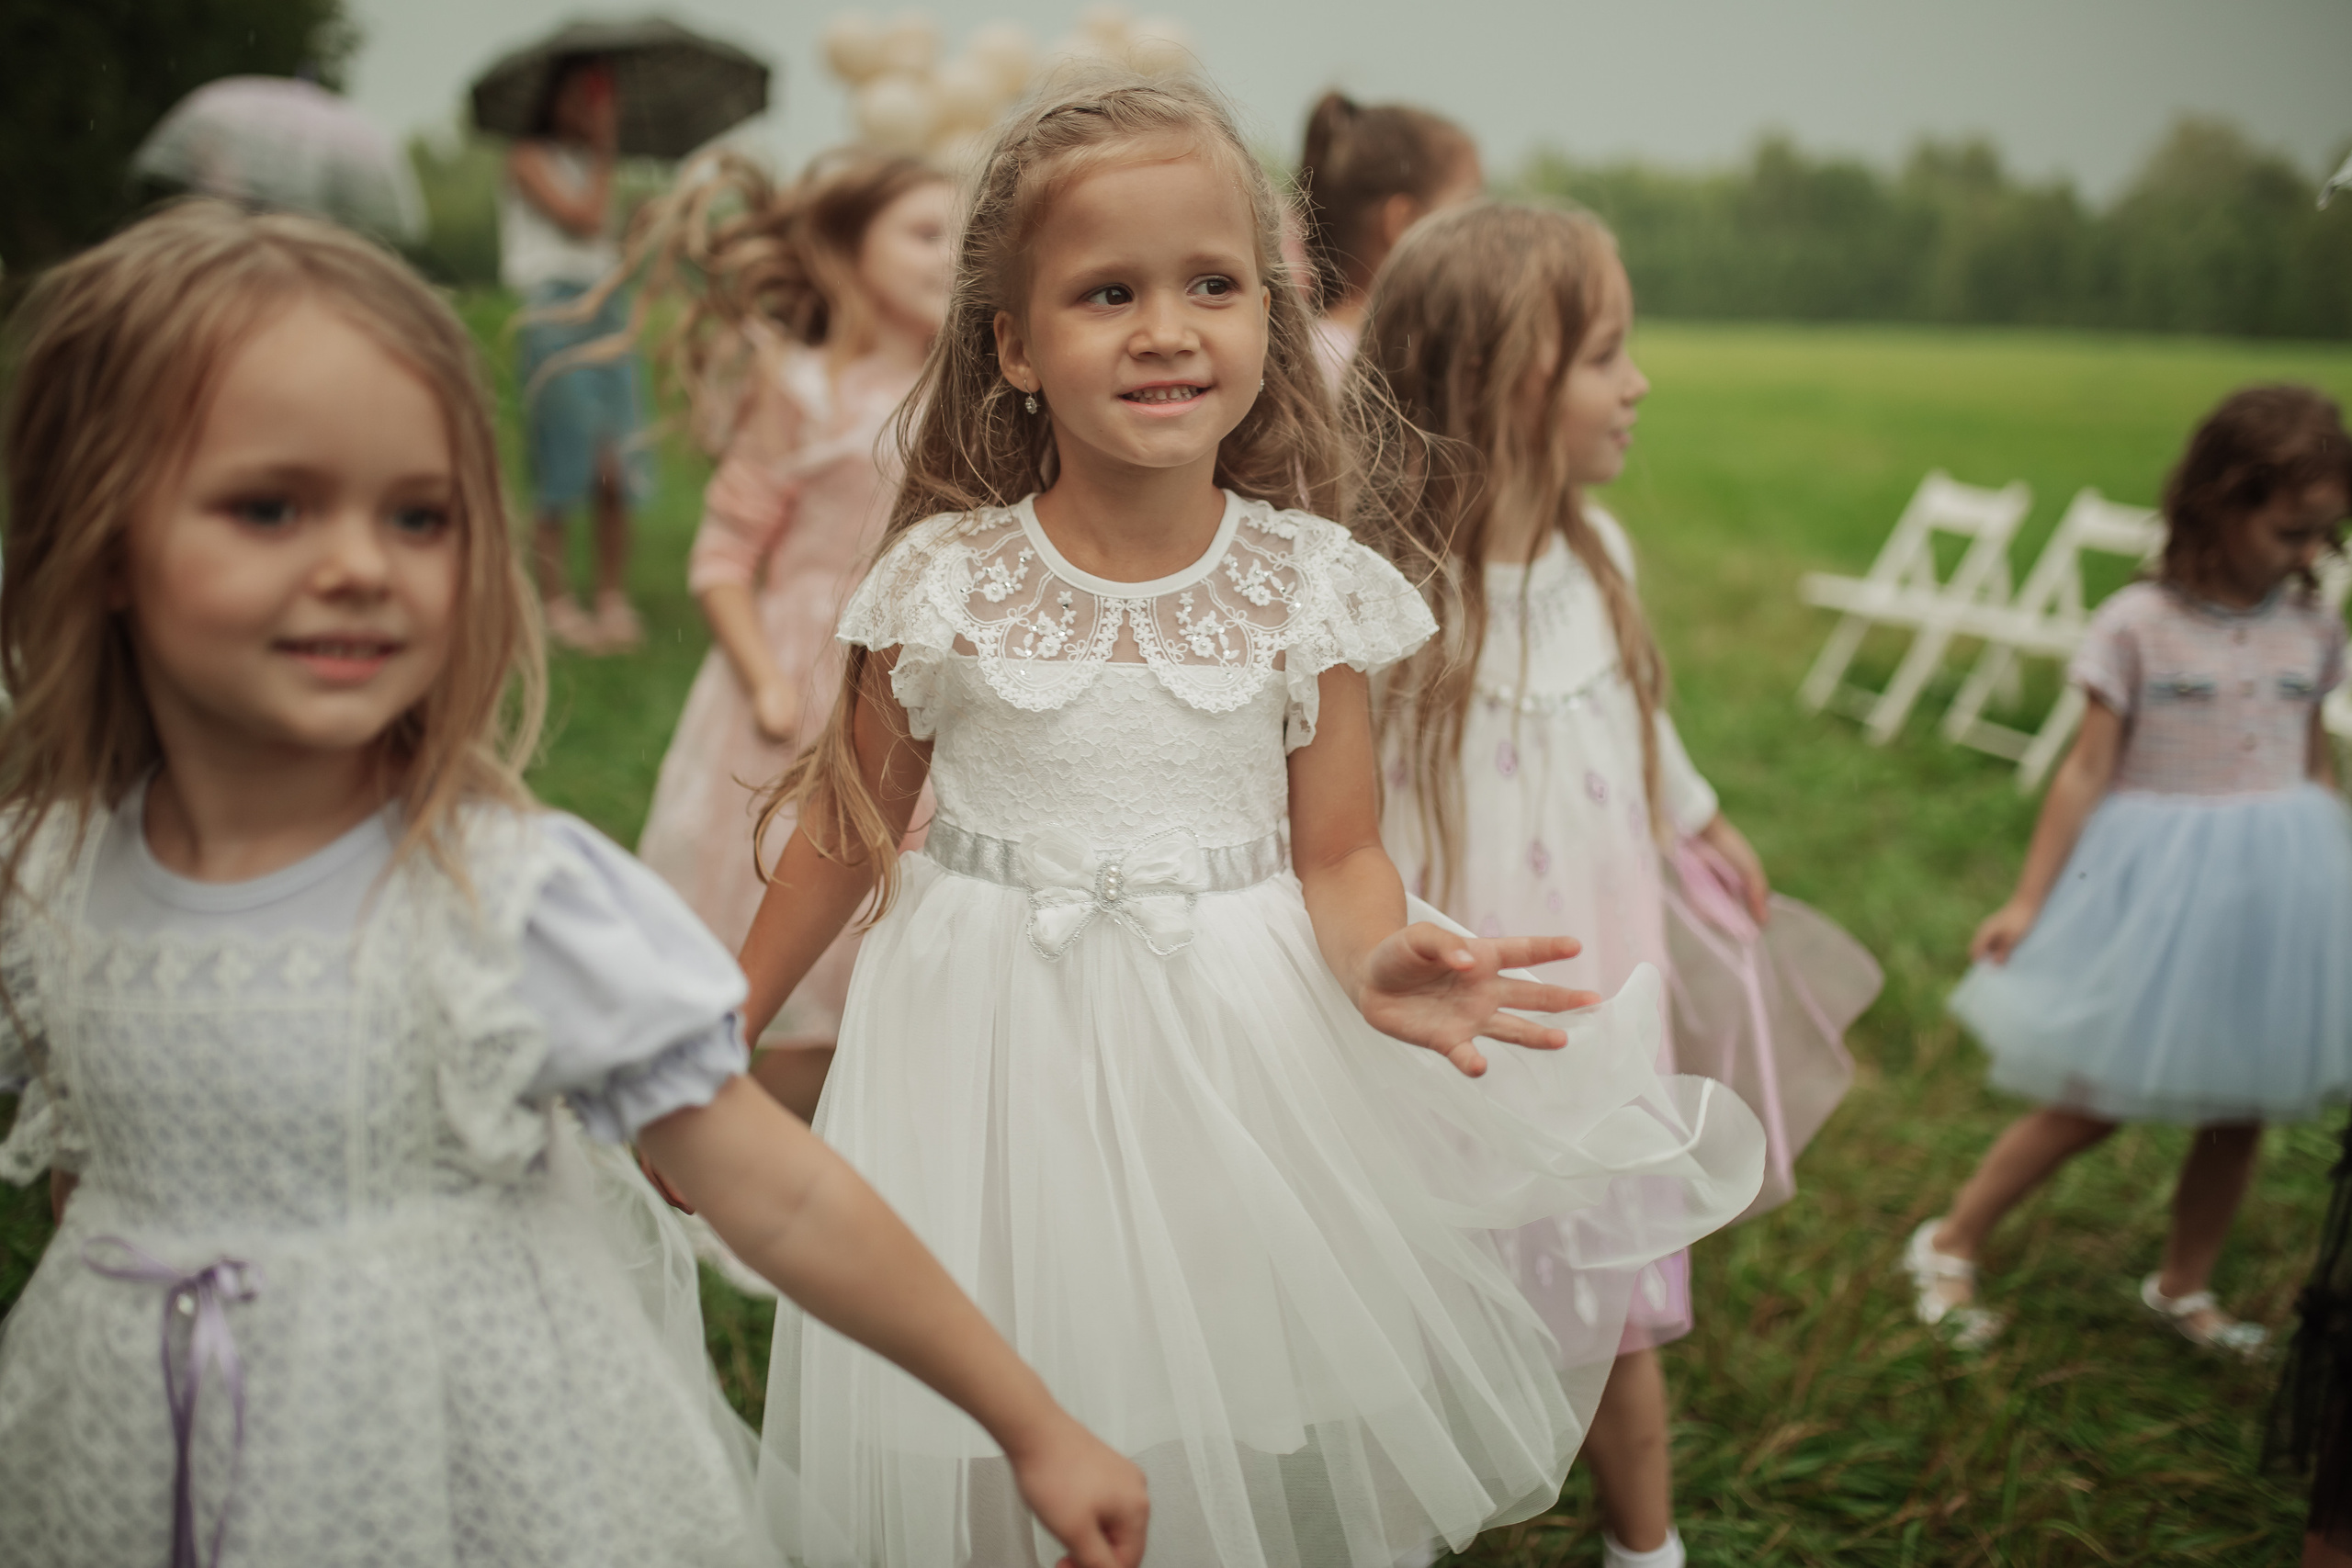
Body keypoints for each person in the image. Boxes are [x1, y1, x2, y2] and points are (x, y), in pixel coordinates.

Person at [712, 69, 1764, 1567]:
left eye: (1213, 284)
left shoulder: (1305, 584)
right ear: (1014, 344)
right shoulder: (944, 581)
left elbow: (1338, 847)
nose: (1165, 327)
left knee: (1201, 1375)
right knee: (984, 1370)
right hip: (979, 1036)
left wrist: (1378, 947)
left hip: (1227, 1041)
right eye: (1107, 292)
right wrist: (731, 1013)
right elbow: (848, 822)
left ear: (1272, 323)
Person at [0, 200, 1148, 1568]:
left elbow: (775, 1188)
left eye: (418, 514)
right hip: (137, 1443)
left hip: (450, 1465)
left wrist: (1030, 1419)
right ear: (96, 534)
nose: (361, 564)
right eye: (269, 505)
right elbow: (93, 1166)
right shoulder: (45, 878)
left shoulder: (498, 894)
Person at [1356, 202, 1873, 1568]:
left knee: (1612, 1298)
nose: (1638, 383)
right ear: (1502, 379)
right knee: (1434, 1287)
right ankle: (1407, 1515)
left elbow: (1635, 724)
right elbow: (1340, 822)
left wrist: (1696, 812)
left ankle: (1645, 1539)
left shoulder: (1603, 557)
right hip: (1458, 1012)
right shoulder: (1391, 599)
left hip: (1594, 997)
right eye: (1606, 354)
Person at [1909, 385, 2352, 1356]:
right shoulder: (2136, 625)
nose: (2310, 555)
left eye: (2325, 534)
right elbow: (2084, 769)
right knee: (2091, 1096)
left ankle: (2182, 1284)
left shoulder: (2312, 628)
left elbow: (2311, 758)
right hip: (2158, 895)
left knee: (2244, 1109)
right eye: (2288, 531)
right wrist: (2030, 898)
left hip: (2277, 891)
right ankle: (1950, 1239)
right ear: (2215, 503)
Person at [628, 149, 954, 1123]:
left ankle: (861, 1142)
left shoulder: (968, 389)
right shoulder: (800, 388)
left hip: (913, 684)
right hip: (801, 679)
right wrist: (767, 681)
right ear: (848, 254)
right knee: (785, 899)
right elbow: (722, 556)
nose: (951, 256)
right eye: (924, 234)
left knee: (887, 924)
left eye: (961, 236)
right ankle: (735, 1139)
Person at [502, 53, 652, 653]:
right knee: (562, 459)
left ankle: (611, 596)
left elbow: (609, 239)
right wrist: (607, 148)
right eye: (579, 96)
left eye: (597, 97)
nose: (588, 109)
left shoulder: (593, 167)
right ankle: (557, 601)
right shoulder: (528, 159)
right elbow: (582, 218)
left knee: (616, 460)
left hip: (606, 309)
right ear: (551, 99)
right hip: (554, 312)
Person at [1295, 92, 1480, 388]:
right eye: (1469, 209)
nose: (1481, 232)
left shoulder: (1327, 350)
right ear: (1404, 223)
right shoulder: (1335, 361)